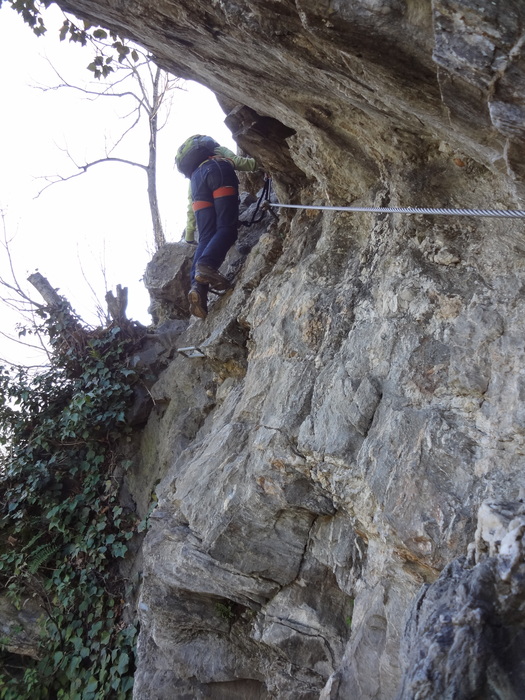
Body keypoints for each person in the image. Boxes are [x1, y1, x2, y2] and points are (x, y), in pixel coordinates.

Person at [181, 137, 258, 319]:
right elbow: (238, 162)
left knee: (206, 237)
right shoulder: (217, 151)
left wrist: (190, 234)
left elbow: (190, 207)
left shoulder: (193, 175)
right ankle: (206, 265)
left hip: (198, 184)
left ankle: (197, 289)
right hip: (219, 172)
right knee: (227, 227)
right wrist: (262, 165)